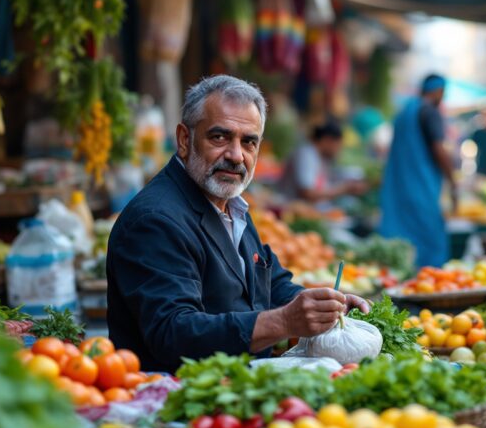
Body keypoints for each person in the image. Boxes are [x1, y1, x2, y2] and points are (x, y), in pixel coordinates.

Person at [106, 75, 369, 372]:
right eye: (219, 137)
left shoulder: (230, 204)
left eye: (248, 142)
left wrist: (322, 307)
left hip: (235, 384)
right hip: (175, 399)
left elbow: (271, 284)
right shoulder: (155, 221)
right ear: (184, 140)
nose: (236, 156)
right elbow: (173, 332)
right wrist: (283, 321)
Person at [379, 73, 457, 268]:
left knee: (402, 245)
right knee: (430, 241)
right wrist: (453, 181)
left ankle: (403, 288)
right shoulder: (429, 112)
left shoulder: (403, 113)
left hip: (399, 189)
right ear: (438, 91)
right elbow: (439, 149)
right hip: (422, 189)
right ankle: (428, 289)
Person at [278, 120, 367, 204]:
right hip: (291, 208)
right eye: (338, 146)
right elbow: (308, 193)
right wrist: (344, 189)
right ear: (327, 140)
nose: (338, 151)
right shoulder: (306, 154)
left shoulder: (320, 157)